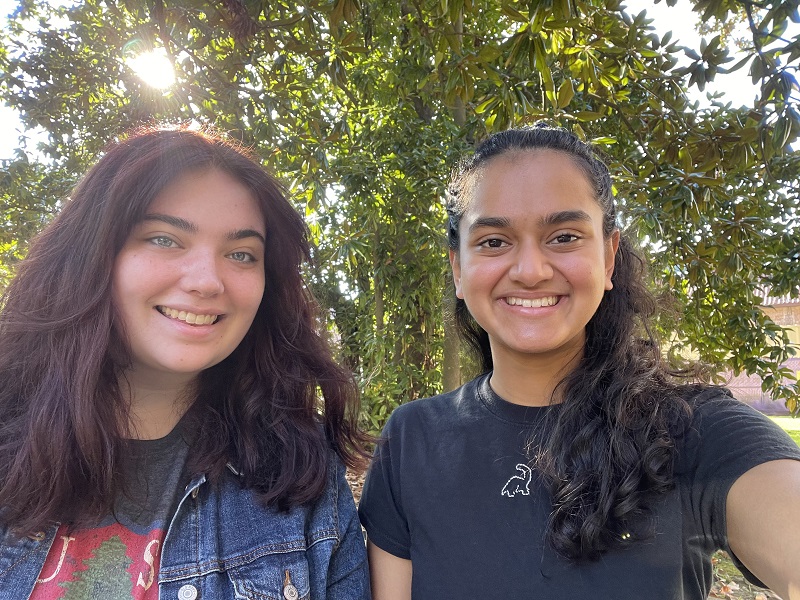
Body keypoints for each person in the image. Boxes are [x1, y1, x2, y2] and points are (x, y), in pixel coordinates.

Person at [358, 124, 800, 600]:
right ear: (458, 270)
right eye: (493, 241)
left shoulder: (694, 429)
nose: (530, 271)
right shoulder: (410, 440)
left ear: (608, 258)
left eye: (564, 236)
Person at [0, 127, 371, 599]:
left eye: (241, 254)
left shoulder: (303, 471)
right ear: (94, 256)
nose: (206, 281)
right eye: (164, 239)